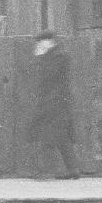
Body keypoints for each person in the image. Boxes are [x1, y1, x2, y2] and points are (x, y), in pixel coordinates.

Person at [29, 30, 80, 179]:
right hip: (52, 102)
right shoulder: (53, 56)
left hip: (56, 103)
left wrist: (41, 57)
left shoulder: (59, 57)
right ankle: (72, 170)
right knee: (62, 137)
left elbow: (50, 76)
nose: (38, 44)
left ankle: (47, 172)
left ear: (49, 41)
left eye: (41, 41)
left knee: (47, 137)